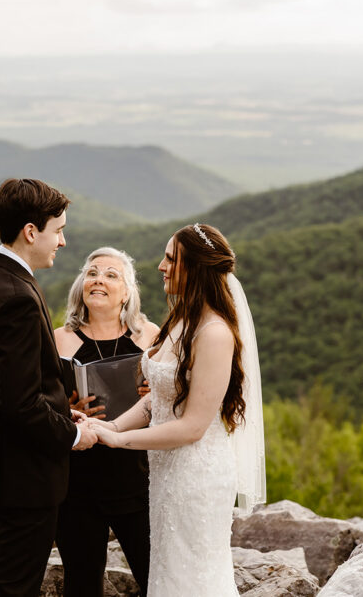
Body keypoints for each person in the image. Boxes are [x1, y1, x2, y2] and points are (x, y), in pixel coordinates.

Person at [91, 223, 265, 596]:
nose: (160, 266)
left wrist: (119, 442)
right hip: (168, 473)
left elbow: (191, 427)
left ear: (197, 268)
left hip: (197, 476)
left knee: (193, 579)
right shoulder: (181, 321)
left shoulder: (214, 333)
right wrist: (106, 428)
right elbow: (158, 399)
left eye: (171, 258)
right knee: (168, 574)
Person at [0, 178, 99, 596]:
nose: (63, 240)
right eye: (58, 229)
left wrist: (60, 409)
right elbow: (19, 403)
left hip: (9, 467)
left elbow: (20, 380)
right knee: (16, 587)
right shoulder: (14, 295)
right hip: (26, 473)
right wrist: (74, 433)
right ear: (31, 231)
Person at [53, 247, 160, 596]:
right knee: (82, 585)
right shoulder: (59, 339)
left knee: (155, 577)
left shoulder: (149, 336)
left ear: (127, 292)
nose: (98, 279)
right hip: (79, 482)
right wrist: (66, 405)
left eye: (111, 275)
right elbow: (39, 405)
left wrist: (153, 393)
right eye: (92, 272)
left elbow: (175, 400)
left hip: (138, 476)